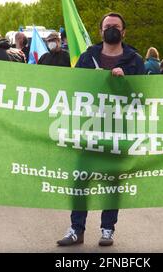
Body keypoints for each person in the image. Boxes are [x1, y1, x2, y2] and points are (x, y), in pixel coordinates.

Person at [56, 12, 145, 248]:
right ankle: (76, 229)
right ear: (100, 31)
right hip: (89, 130)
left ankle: (107, 229)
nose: (111, 29)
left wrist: (125, 81)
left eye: (116, 26)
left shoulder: (135, 61)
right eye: (108, 26)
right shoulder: (87, 58)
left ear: (123, 32)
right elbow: (74, 89)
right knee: (81, 180)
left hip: (118, 131)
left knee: (111, 182)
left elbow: (143, 98)